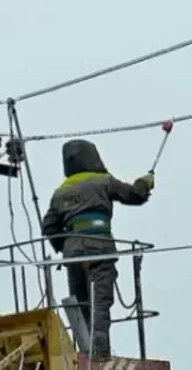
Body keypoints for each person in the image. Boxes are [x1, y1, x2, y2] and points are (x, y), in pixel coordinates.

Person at [41, 139, 155, 358]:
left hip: (72, 254)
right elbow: (134, 195)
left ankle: (84, 352)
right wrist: (145, 182)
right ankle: (99, 354)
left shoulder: (60, 192)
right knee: (99, 303)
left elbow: (49, 226)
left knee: (80, 302)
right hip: (99, 248)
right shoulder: (102, 181)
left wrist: (64, 247)